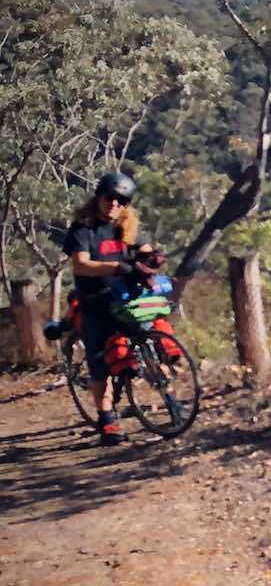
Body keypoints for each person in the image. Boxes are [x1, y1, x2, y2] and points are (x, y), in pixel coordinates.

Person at [61, 172, 161, 445]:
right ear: (99, 196)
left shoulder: (128, 226)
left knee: (150, 335)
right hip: (95, 301)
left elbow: (144, 249)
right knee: (99, 362)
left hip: (125, 298)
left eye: (122, 200)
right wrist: (117, 267)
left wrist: (150, 259)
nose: (114, 204)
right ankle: (106, 420)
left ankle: (168, 396)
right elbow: (81, 264)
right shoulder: (83, 228)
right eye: (110, 198)